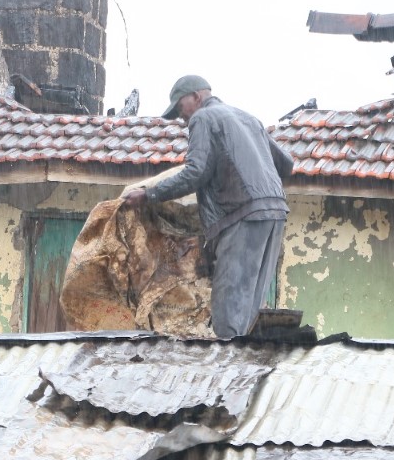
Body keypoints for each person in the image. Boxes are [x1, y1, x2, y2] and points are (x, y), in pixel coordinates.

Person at [122, 75, 294, 338]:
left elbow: (195, 173)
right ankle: (245, 370)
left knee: (228, 311)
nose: (183, 119)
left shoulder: (202, 118)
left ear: (197, 97)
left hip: (242, 215)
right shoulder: (248, 118)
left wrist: (149, 194)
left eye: (181, 109)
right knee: (249, 309)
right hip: (275, 214)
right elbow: (286, 164)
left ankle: (228, 372)